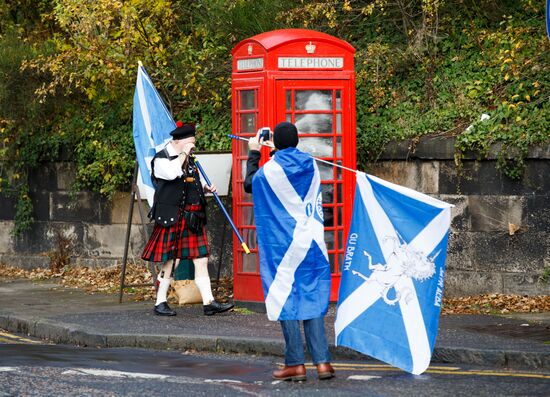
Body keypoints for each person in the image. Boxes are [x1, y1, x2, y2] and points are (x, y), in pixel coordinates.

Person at [244, 122, 335, 381]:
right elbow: (290, 171)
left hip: (284, 248)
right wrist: (278, 151)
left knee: (286, 299)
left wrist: (254, 152)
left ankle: (295, 364)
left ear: (276, 142)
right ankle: (323, 363)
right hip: (313, 244)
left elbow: (250, 184)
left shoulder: (270, 169)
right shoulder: (311, 165)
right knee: (312, 299)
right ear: (296, 141)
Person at [141, 121, 233, 316]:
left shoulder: (189, 159)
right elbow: (173, 174)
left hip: (193, 216)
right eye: (190, 143)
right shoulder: (161, 159)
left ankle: (209, 302)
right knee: (170, 261)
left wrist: (205, 189)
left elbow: (190, 183)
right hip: (172, 217)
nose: (192, 147)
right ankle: (160, 302)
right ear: (179, 142)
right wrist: (184, 154)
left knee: (201, 259)